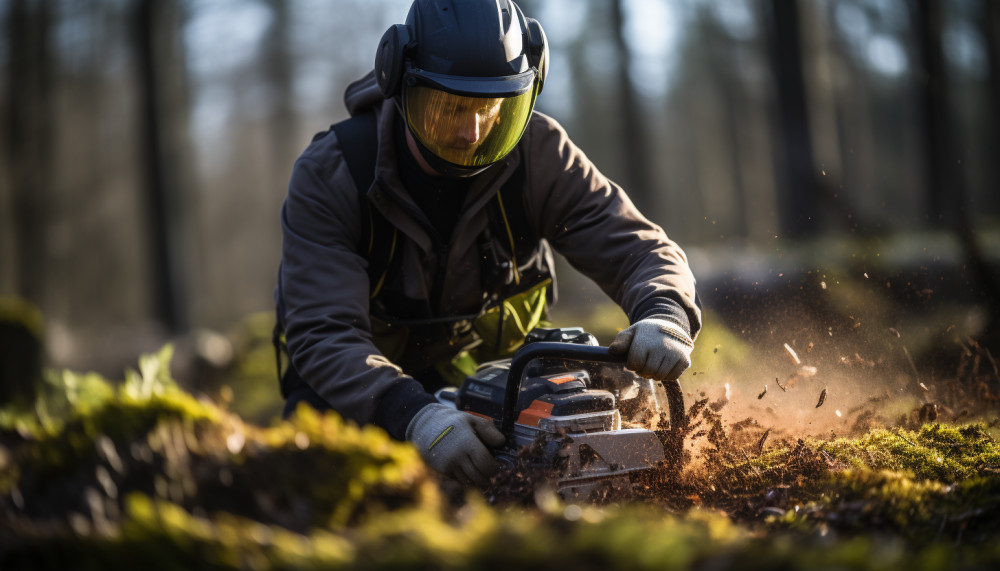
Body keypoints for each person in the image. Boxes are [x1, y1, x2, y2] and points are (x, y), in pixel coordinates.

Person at [274, 0, 701, 488]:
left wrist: (666, 310)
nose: (470, 132)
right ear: (401, 84)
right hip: (364, 405)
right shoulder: (333, 175)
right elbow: (324, 332)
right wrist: (416, 416)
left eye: (490, 108)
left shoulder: (539, 153)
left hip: (498, 402)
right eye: (449, 108)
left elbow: (638, 246)